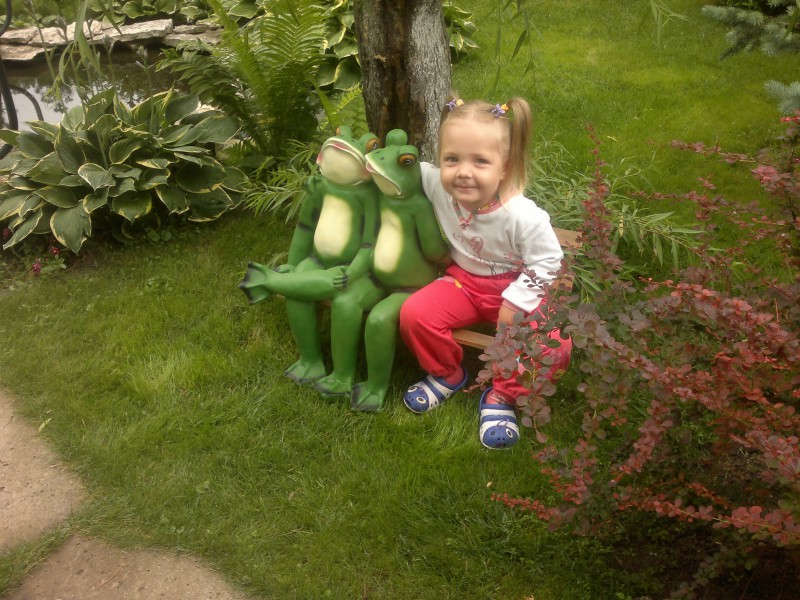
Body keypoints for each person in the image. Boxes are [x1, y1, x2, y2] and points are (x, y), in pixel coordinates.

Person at [399, 95, 572, 450]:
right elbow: (404, 169)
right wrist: (363, 167)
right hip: (463, 283)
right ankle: (448, 372)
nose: (463, 171)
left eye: (480, 161)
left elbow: (548, 260)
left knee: (555, 345)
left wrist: (516, 301)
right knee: (415, 314)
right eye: (452, 159)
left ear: (504, 168)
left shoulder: (521, 215)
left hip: (516, 288)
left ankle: (504, 394)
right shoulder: (439, 186)